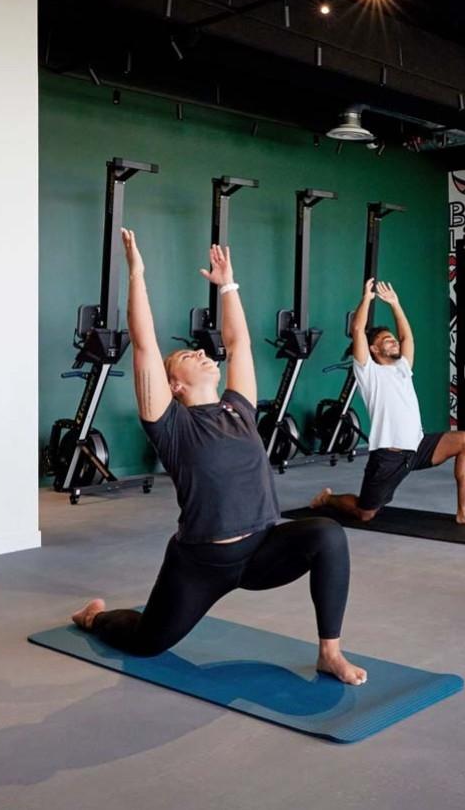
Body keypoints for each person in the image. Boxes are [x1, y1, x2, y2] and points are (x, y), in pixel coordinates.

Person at [70, 230, 366, 685]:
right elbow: (146, 345)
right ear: (174, 385)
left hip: (263, 550)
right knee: (147, 642)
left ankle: (330, 652)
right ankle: (94, 618)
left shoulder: (239, 408)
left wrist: (228, 286)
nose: (205, 355)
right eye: (190, 355)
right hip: (202, 565)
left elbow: (239, 344)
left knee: (328, 536)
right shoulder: (169, 424)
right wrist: (137, 274)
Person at [310, 279, 465, 526]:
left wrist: (395, 304)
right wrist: (366, 298)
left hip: (417, 447)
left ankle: (464, 510)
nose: (394, 341)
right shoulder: (368, 372)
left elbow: (408, 337)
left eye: (393, 339)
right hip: (389, 457)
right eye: (387, 340)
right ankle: (328, 499)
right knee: (366, 513)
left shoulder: (402, 368)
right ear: (374, 349)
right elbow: (357, 330)